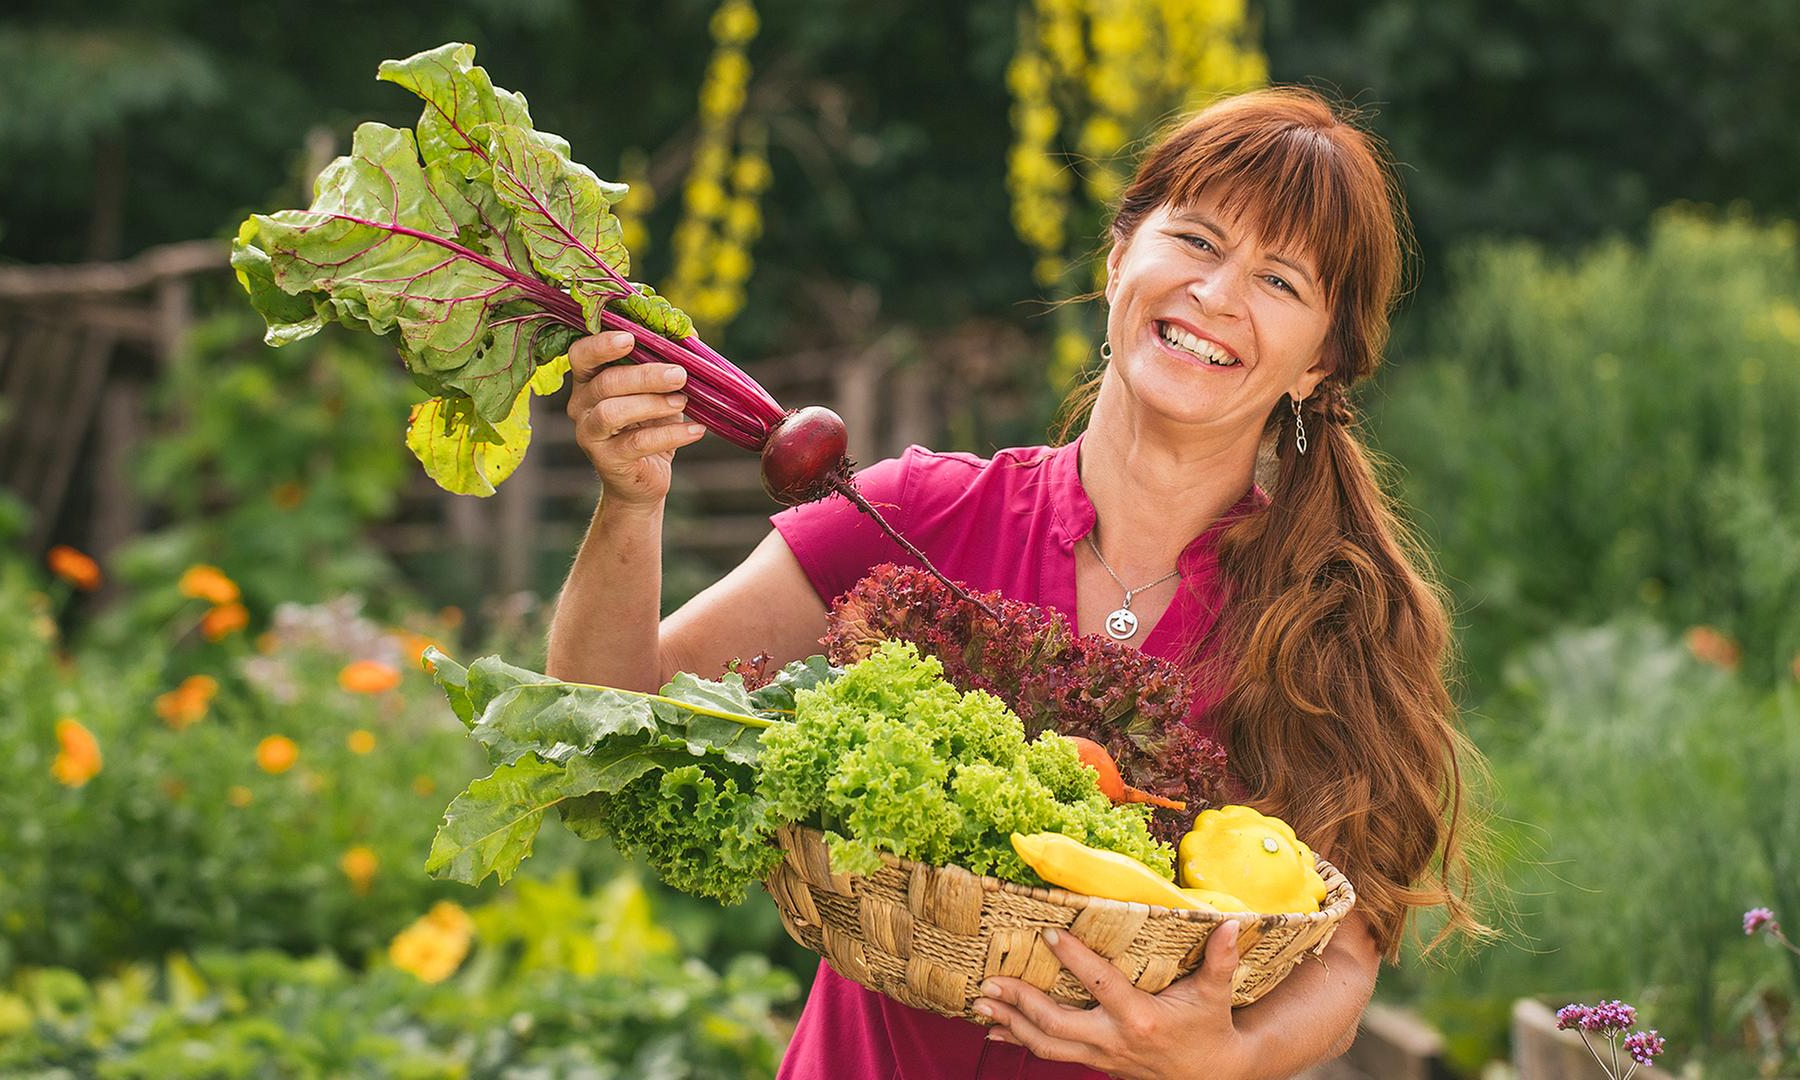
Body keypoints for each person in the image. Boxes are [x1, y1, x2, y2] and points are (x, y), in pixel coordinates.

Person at [544, 85, 1486, 1080]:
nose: (1217, 295)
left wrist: (1230, 1054)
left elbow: (1347, 951)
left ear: (1319, 363)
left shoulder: (1334, 619)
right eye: (1200, 241)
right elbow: (609, 715)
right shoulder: (909, 515)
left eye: (1281, 281)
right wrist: (632, 501)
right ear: (1121, 253)